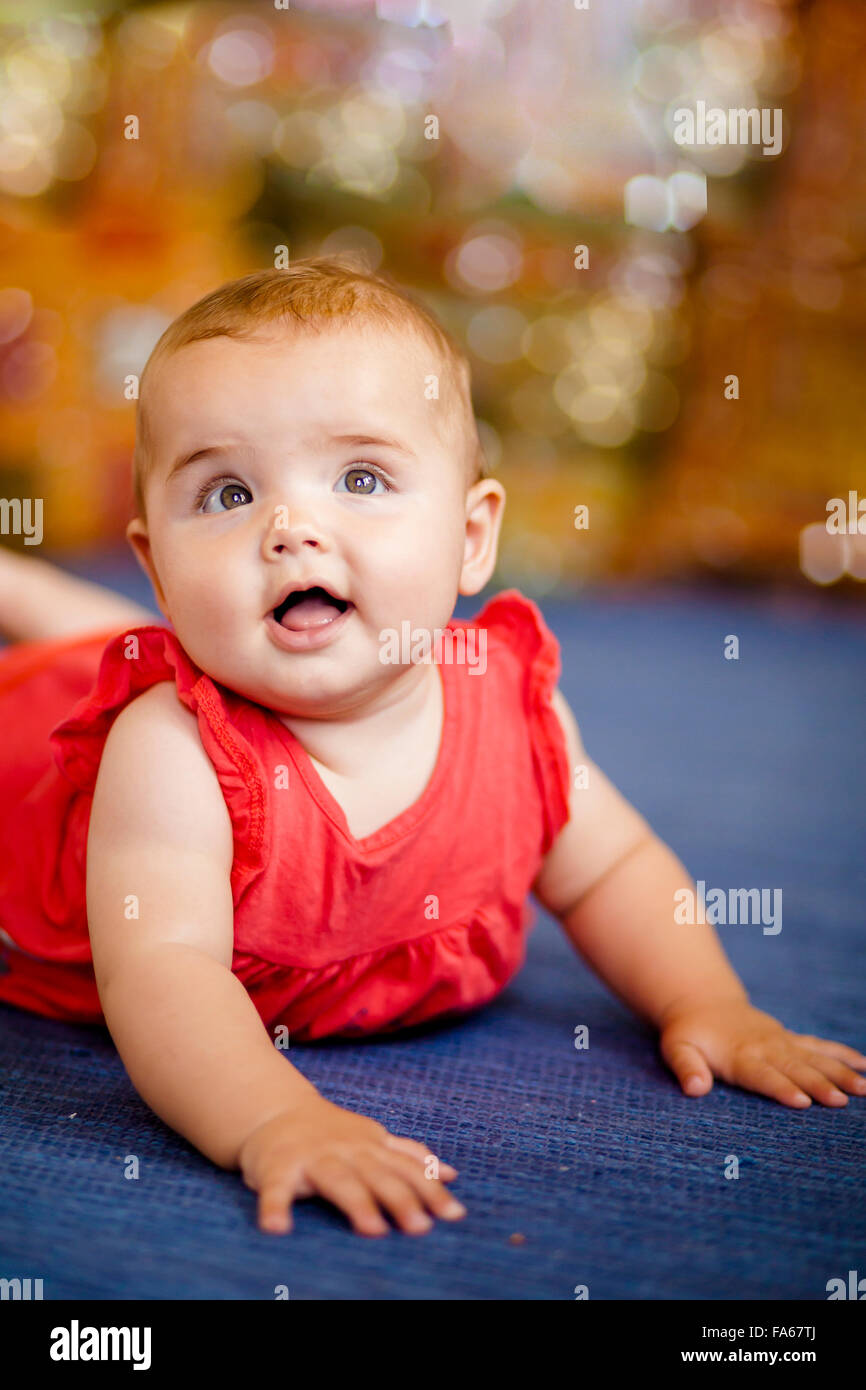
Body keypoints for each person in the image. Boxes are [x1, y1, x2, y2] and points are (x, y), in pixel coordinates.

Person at [1, 259, 863, 1240]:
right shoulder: (171, 755)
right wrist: (274, 1117)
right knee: (79, 673)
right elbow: (163, 973)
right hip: (25, 766)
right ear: (155, 560)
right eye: (227, 492)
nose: (292, 529)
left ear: (469, 535)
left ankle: (30, 596)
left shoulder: (511, 713)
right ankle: (29, 597)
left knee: (91, 646)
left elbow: (611, 867)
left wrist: (705, 998)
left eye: (360, 478)